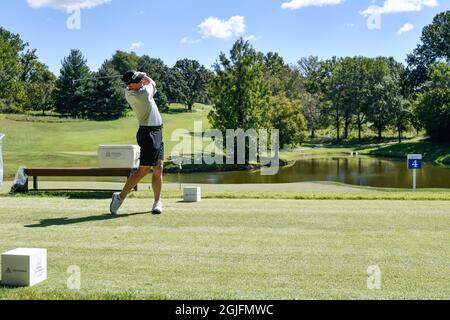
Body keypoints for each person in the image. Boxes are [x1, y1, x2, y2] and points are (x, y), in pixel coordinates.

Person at [110, 70, 164, 215]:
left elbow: (144, 82)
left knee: (158, 168)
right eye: (138, 80)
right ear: (131, 84)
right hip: (148, 134)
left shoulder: (131, 91)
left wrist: (138, 75)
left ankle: (157, 202)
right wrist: (144, 74)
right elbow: (152, 82)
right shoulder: (143, 93)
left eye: (141, 79)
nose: (142, 81)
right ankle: (119, 198)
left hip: (157, 132)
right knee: (143, 170)